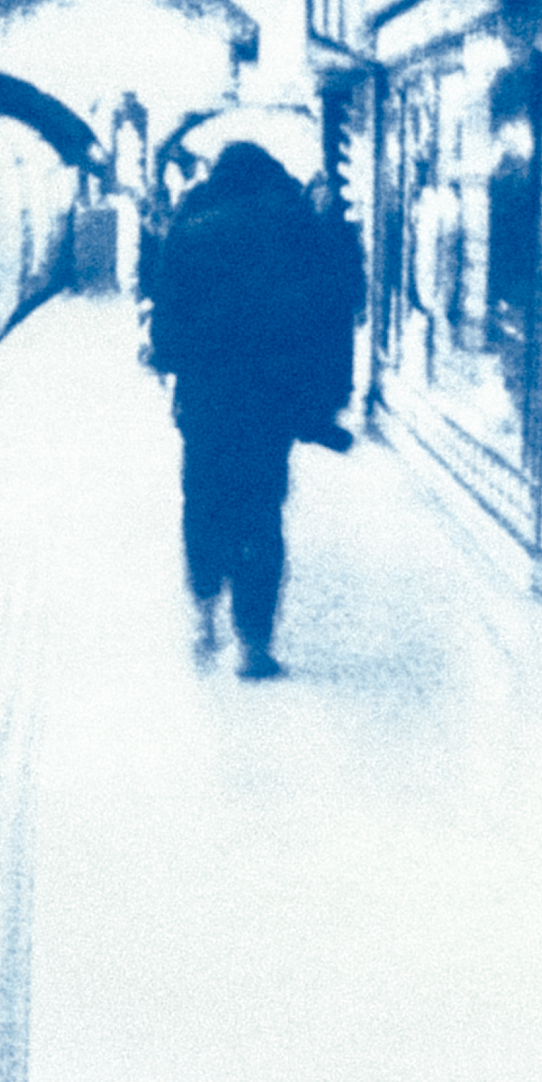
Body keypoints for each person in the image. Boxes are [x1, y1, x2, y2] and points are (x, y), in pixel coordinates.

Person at [142, 142, 361, 679]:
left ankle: (204, 611)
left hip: (206, 398)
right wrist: (322, 399)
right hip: (271, 401)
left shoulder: (192, 226)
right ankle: (254, 645)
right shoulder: (297, 228)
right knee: (261, 512)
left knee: (203, 501)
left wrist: (168, 359)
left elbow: (167, 320)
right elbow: (327, 315)